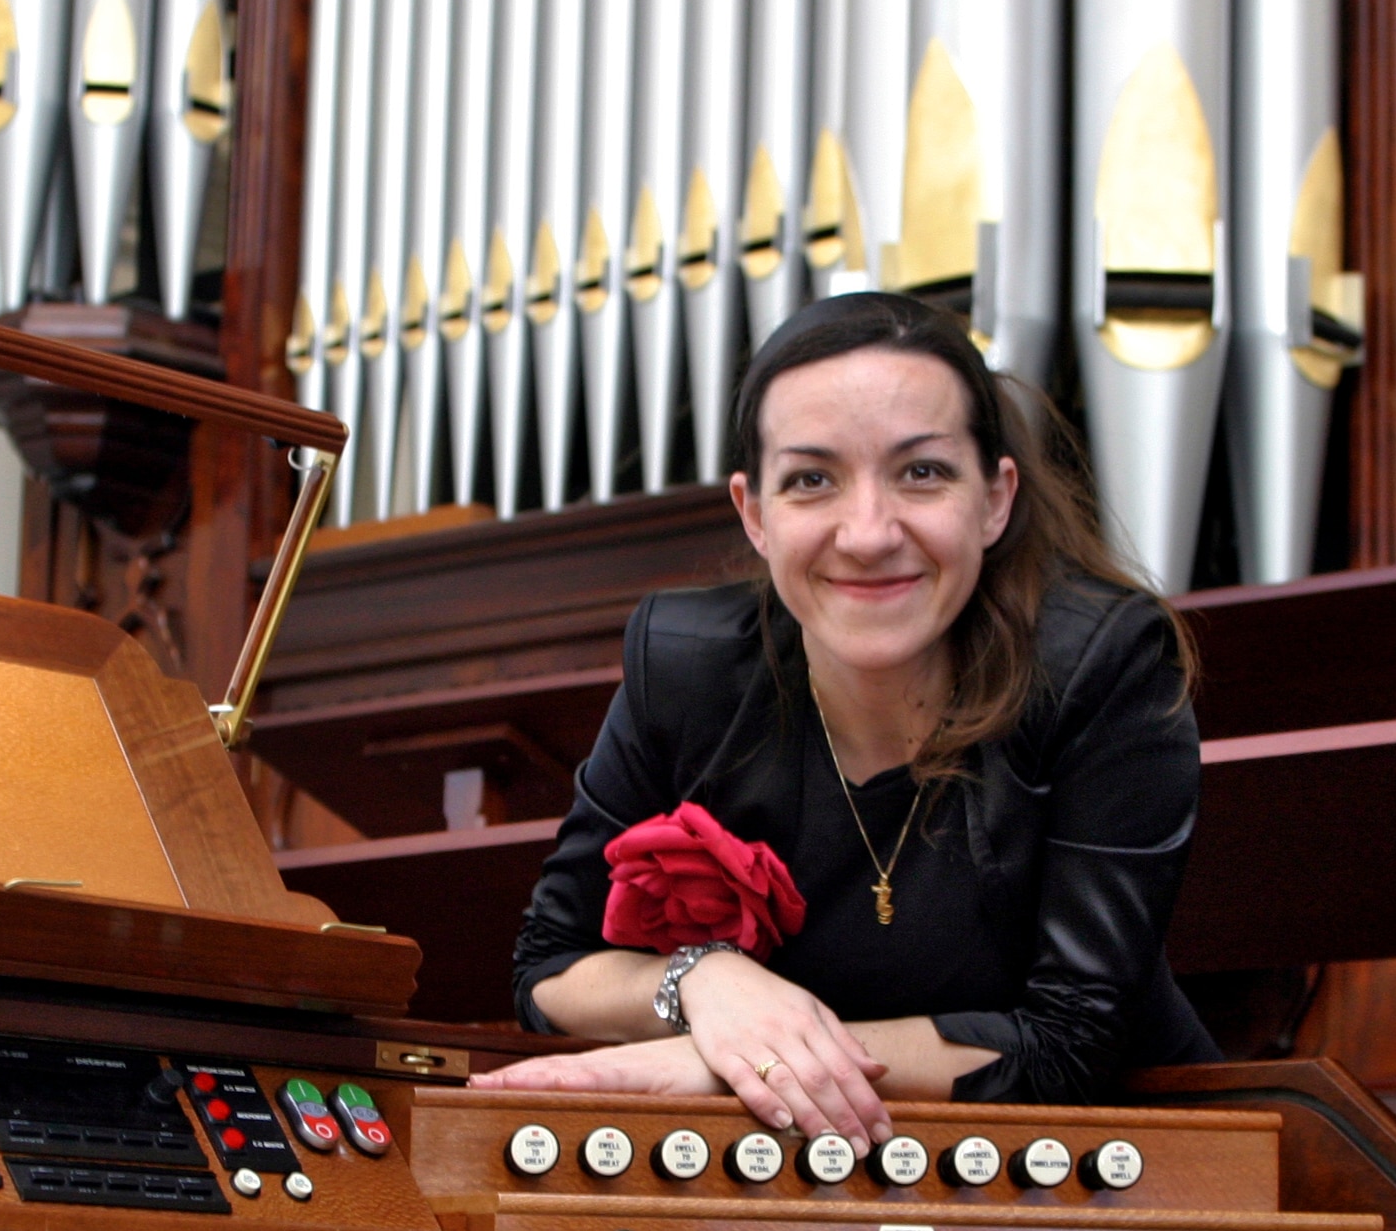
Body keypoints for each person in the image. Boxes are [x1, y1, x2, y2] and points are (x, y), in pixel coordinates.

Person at [471, 291, 1218, 1144]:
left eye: (922, 472)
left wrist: (732, 1066)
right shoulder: (685, 667)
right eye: (812, 479)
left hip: (1112, 1177)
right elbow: (548, 973)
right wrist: (707, 982)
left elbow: (1070, 1043)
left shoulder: (1103, 666)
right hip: (773, 1179)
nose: (867, 533)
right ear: (755, 513)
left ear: (995, 499)